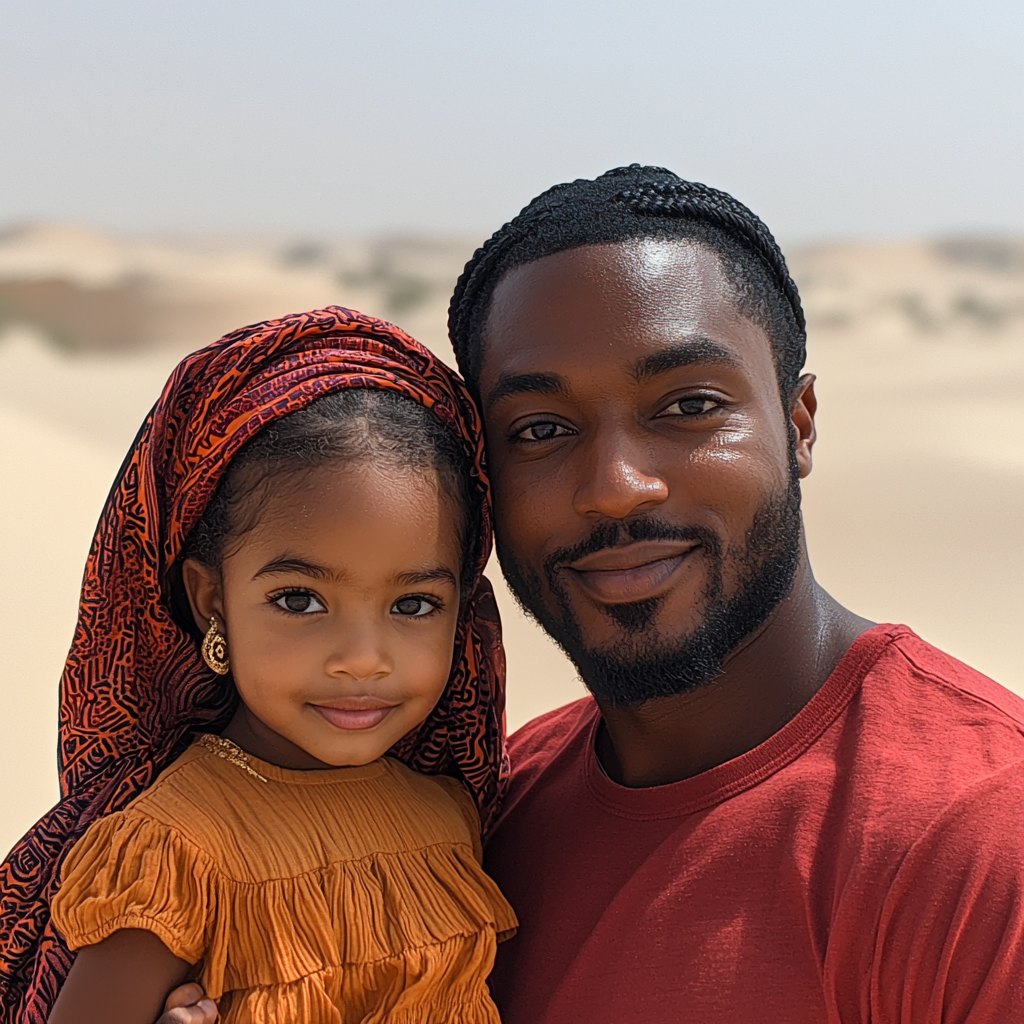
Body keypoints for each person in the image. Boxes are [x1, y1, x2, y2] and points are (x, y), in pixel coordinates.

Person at [39, 164, 1024, 1023]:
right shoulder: (484, 811)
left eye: (688, 405)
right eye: (540, 429)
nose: (614, 485)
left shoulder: (981, 839)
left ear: (799, 421)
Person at [0, 308, 516, 1023]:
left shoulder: (450, 814)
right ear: (212, 601)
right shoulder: (175, 854)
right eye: (299, 600)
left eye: (414, 604)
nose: (363, 660)